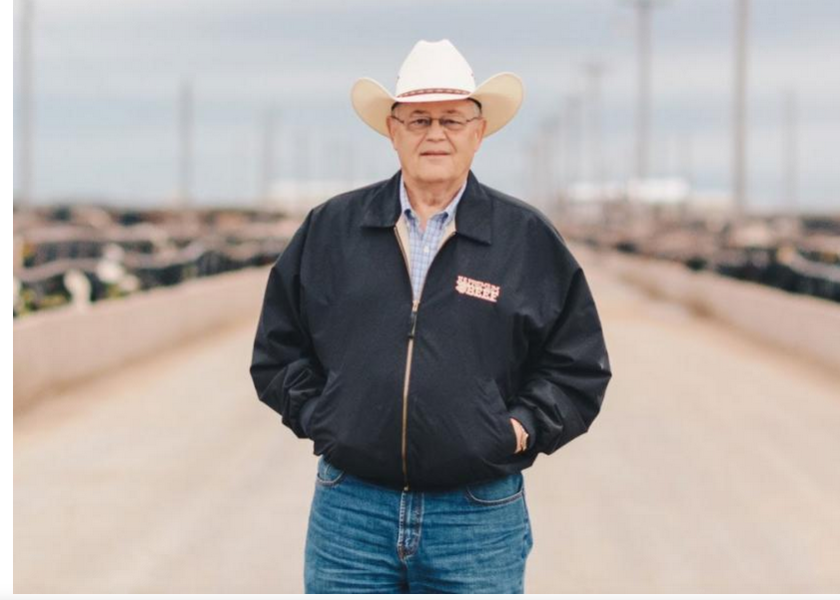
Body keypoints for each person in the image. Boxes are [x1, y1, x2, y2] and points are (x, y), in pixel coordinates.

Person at [250, 39, 612, 594]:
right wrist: (327, 417)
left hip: (478, 516)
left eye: (451, 118)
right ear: (392, 130)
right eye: (418, 119)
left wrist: (516, 430)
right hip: (351, 511)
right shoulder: (331, 229)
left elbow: (577, 368)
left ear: (479, 130)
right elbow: (278, 351)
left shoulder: (526, 239)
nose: (435, 134)